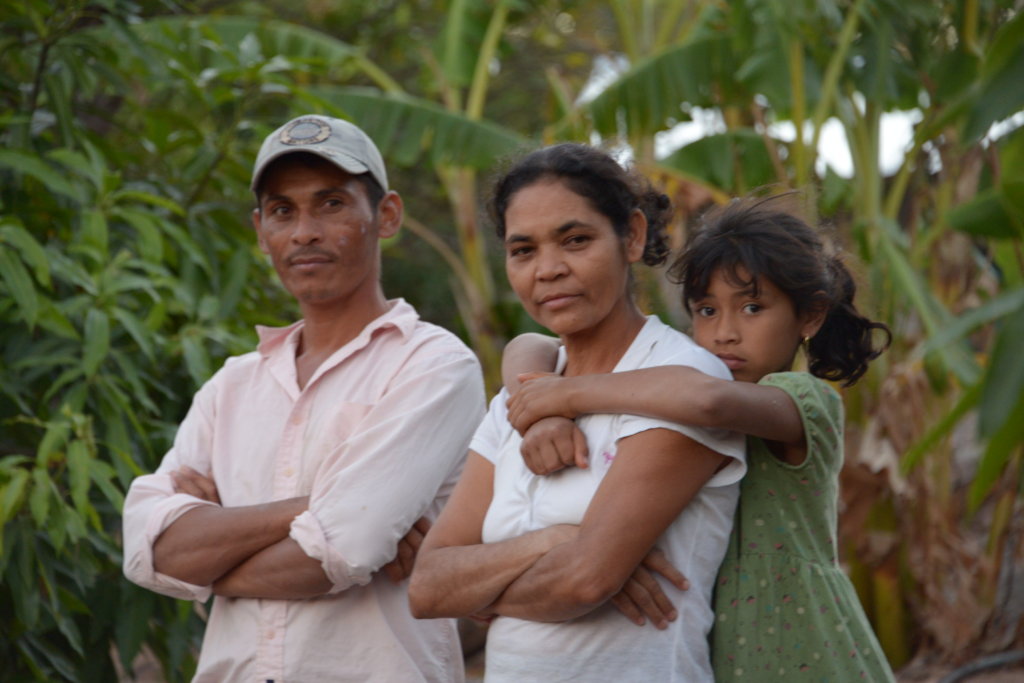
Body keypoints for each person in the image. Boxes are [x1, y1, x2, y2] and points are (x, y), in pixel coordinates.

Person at [121, 114, 485, 682]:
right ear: (260, 230)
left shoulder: (434, 365)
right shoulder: (232, 385)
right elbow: (151, 549)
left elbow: (338, 552)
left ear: (386, 215)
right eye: (282, 211)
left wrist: (211, 549)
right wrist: (318, 505)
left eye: (332, 204)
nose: (304, 232)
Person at [502, 196, 897, 681]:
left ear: (810, 317)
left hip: (801, 647)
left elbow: (709, 403)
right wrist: (539, 416)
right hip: (712, 649)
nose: (725, 333)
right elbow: (531, 344)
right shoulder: (675, 383)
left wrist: (567, 395)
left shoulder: (801, 401)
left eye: (753, 307)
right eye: (706, 310)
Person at [408, 143, 746, 682]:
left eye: (576, 240)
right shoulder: (521, 399)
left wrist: (487, 581)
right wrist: (557, 541)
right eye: (523, 250)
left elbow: (585, 583)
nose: (548, 270)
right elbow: (428, 586)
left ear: (632, 236)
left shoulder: (678, 377)